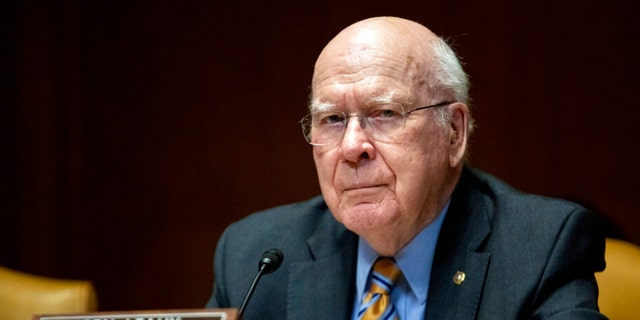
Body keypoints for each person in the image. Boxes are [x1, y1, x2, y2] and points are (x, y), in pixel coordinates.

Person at [206, 16, 606, 319]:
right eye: (331, 119)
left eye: (384, 113)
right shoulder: (253, 257)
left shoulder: (540, 249)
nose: (351, 147)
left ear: (453, 131)